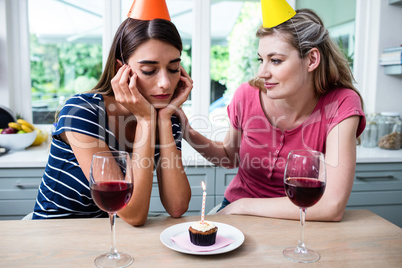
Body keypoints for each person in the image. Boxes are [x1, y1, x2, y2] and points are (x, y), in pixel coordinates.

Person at [178, 8, 366, 222]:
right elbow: (230, 157)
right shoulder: (246, 96)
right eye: (261, 60)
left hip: (299, 220)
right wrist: (187, 131)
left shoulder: (341, 103)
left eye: (275, 60)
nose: (262, 73)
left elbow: (332, 206)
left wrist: (243, 205)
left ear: (312, 59)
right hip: (239, 212)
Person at [33, 14, 193, 225]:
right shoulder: (81, 111)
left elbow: (177, 206)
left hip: (113, 234)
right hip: (56, 231)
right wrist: (145, 120)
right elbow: (132, 214)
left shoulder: (165, 115)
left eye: (173, 69)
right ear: (121, 70)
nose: (165, 83)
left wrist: (163, 119)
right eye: (149, 70)